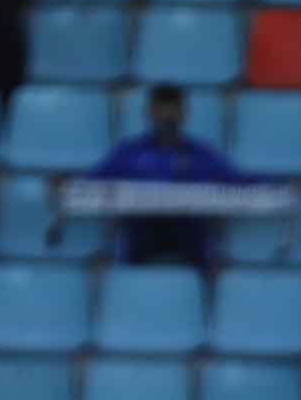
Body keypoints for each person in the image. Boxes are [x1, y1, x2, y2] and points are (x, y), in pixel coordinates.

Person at [70, 82, 255, 272]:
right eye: (161, 111)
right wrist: (65, 184)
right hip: (141, 231)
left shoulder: (201, 154)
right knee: (123, 254)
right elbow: (91, 183)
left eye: (173, 112)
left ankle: (209, 294)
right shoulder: (130, 153)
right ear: (150, 113)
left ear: (184, 114)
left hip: (189, 231)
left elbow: (240, 182)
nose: (167, 117)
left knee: (211, 255)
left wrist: (283, 183)